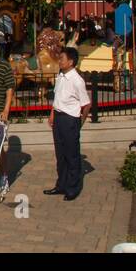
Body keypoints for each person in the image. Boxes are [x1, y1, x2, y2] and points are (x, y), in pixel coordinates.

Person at [47, 47, 91, 200]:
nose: (59, 61)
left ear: (71, 62)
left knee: (72, 155)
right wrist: (52, 114)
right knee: (60, 154)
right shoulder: (60, 76)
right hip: (58, 118)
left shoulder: (77, 80)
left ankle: (73, 188)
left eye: (62, 59)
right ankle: (61, 185)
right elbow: (57, 97)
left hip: (70, 119)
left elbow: (86, 104)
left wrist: (80, 121)